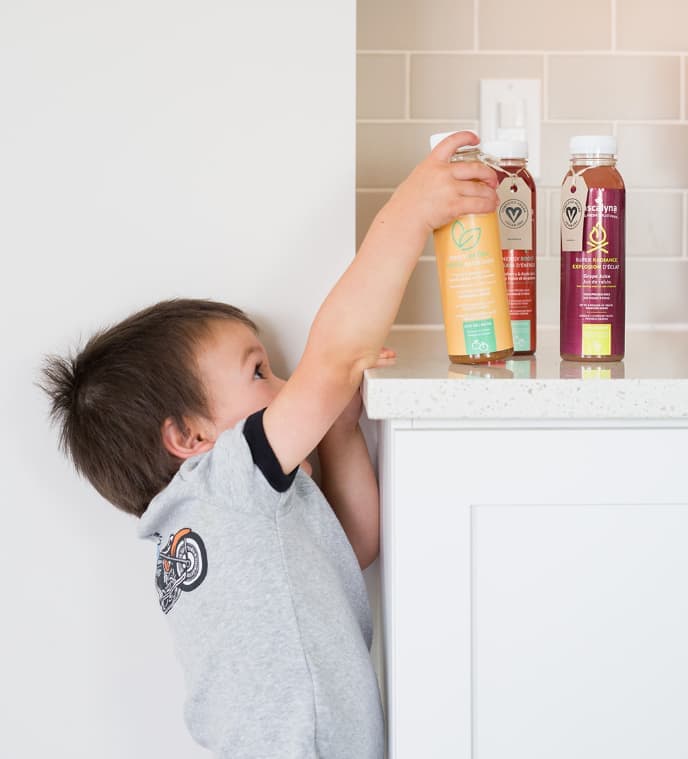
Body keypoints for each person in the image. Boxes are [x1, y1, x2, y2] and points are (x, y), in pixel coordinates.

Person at [40, 130, 497, 758]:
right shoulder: (224, 483)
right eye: (260, 372)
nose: (285, 388)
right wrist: (409, 213)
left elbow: (352, 547)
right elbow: (332, 360)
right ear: (190, 437)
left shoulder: (207, 525)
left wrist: (338, 429)